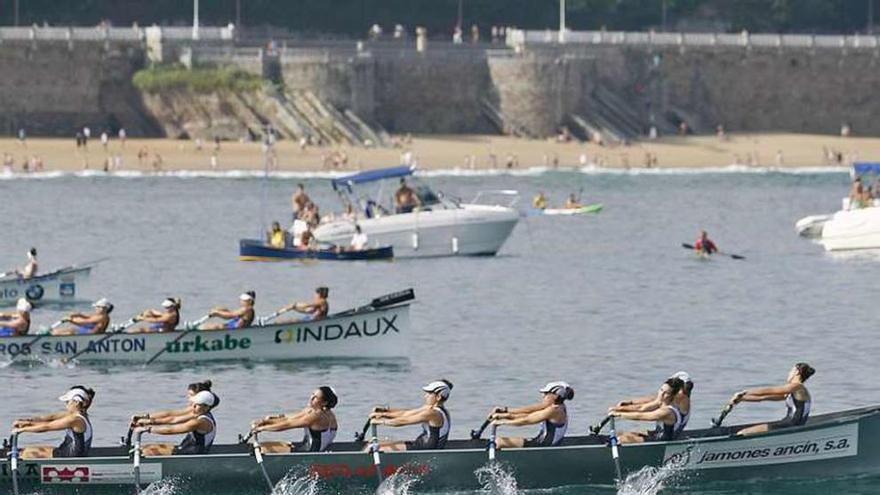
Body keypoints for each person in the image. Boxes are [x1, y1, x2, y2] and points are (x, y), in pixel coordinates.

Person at [728, 363, 814, 436]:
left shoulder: (797, 387)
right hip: (788, 424)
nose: (789, 373)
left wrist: (744, 392)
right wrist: (742, 398)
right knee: (745, 432)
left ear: (797, 372)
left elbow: (769, 390)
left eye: (791, 371)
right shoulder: (794, 392)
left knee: (742, 433)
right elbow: (764, 397)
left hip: (790, 425)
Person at [367, 379, 453, 452]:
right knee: (377, 443)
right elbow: (406, 413)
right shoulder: (432, 409)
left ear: (438, 397)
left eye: (429, 394)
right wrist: (384, 412)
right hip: (421, 445)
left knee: (376, 447)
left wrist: (381, 421)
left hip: (424, 451)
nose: (425, 396)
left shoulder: (433, 414)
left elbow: (404, 420)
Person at [11, 386, 95, 458]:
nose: (66, 405)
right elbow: (51, 418)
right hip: (65, 451)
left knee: (28, 453)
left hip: (68, 457)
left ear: (76, 402)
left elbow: (47, 427)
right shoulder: (79, 415)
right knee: (28, 450)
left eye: (67, 402)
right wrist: (26, 422)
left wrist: (21, 430)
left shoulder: (75, 420)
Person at [249, 386, 339, 453]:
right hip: (306, 447)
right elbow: (291, 418)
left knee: (259, 448)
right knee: (271, 445)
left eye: (315, 397)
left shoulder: (317, 416)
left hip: (308, 453)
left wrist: (262, 428)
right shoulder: (322, 412)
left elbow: (288, 424)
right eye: (312, 394)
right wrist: (267, 421)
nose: (311, 398)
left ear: (324, 402)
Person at [488, 381, 574, 448]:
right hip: (542, 443)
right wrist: (504, 414)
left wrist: (502, 422)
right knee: (500, 441)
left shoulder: (554, 410)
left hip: (542, 446)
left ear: (555, 395)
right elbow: (528, 413)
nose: (543, 396)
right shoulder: (558, 407)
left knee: (499, 441)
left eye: (546, 394)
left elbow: (527, 420)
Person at [134, 390, 219, 456]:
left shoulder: (201, 422)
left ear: (206, 407)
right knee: (145, 447)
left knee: (147, 452)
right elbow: (173, 419)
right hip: (185, 449)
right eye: (194, 404)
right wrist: (145, 421)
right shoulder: (199, 414)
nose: (193, 406)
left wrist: (147, 429)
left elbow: (171, 430)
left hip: (191, 456)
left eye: (197, 405)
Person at [611, 371, 693, 437]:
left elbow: (641, 416)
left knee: (623, 439)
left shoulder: (677, 405)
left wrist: (619, 414)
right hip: (658, 435)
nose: (661, 394)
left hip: (662, 443)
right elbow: (642, 407)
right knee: (621, 434)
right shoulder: (666, 399)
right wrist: (623, 407)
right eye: (661, 390)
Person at [131, 381, 215, 429]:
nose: (189, 398)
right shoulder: (197, 408)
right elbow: (170, 414)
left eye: (191, 395)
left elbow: (172, 421)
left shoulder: (198, 413)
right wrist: (144, 417)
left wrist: (146, 425)